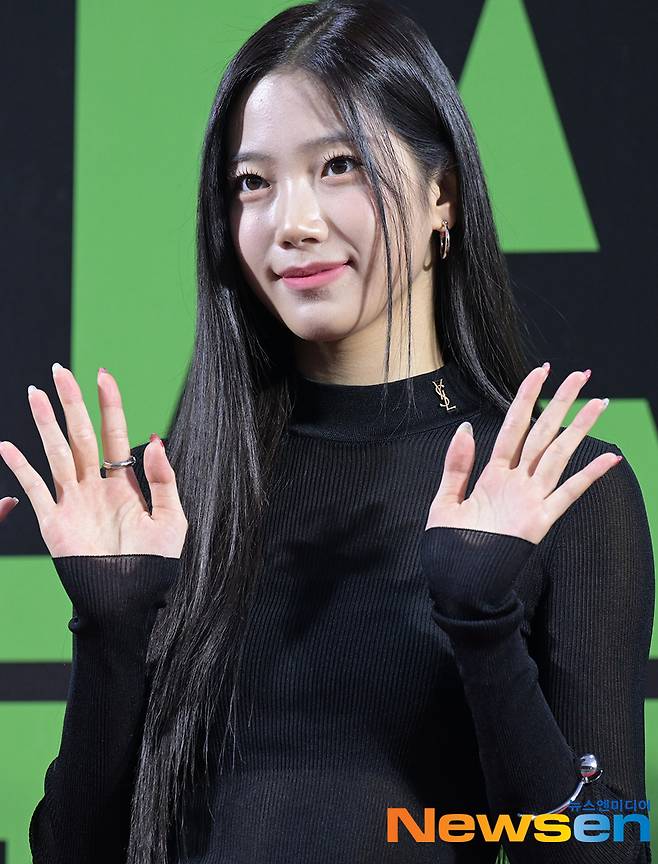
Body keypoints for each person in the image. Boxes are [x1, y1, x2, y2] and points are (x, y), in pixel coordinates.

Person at [0, 0, 653, 861]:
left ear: (442, 195)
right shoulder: (171, 499)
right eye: (253, 183)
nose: (292, 223)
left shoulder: (557, 491)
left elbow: (610, 842)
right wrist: (111, 631)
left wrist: (483, 625)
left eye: (339, 166)